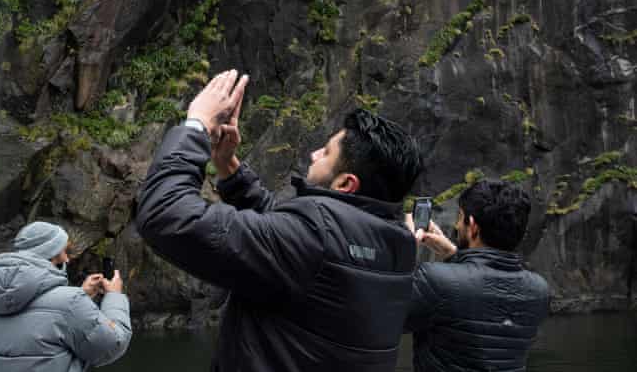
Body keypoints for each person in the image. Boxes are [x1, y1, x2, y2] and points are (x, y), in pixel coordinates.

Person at [135, 70, 423, 372]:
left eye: (325, 153)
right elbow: (293, 242)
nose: (314, 155)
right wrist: (229, 168)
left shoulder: (314, 239)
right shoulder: (398, 246)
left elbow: (166, 213)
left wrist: (197, 125)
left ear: (345, 184)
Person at [404, 180, 550, 372]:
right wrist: (453, 255)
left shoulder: (435, 280)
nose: (457, 225)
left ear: (472, 226)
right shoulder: (539, 290)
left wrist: (404, 247)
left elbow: (383, 320)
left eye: (460, 217)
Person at [0, 221, 131, 372]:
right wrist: (114, 296)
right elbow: (112, 345)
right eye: (65, 250)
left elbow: (38, 321)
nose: (67, 259)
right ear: (52, 252)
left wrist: (81, 295)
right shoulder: (69, 303)